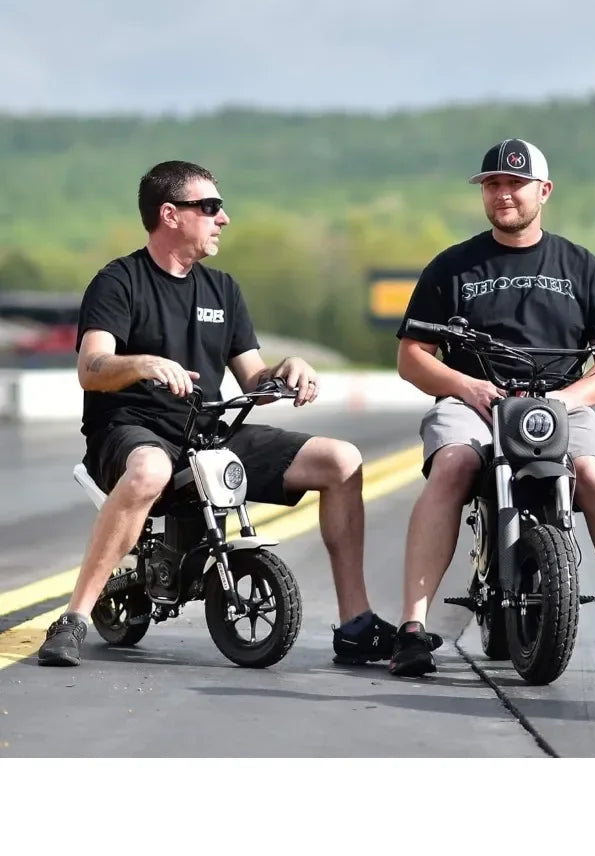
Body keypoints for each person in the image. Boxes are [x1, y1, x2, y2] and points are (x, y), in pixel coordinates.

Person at [38, 160, 395, 666]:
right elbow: (91, 368)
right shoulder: (119, 281)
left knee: (342, 460)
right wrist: (143, 364)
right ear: (171, 215)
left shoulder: (222, 289)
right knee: (150, 469)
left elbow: (253, 378)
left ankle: (356, 624)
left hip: (207, 434)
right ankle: (72, 619)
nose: (223, 218)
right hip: (130, 432)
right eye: (209, 207)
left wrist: (285, 370)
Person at [387, 138, 595, 681]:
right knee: (454, 464)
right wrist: (466, 386)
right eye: (493, 185)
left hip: (560, 403)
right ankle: (411, 631)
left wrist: (565, 399)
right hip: (475, 402)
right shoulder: (452, 266)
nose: (503, 194)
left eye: (514, 184)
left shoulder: (582, 267)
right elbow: (412, 357)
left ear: (544, 191)